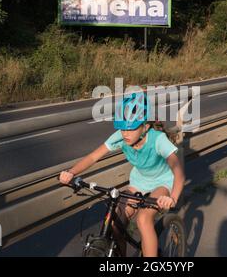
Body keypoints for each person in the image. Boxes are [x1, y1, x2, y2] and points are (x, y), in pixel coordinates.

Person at [59, 92, 185, 257]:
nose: (125, 133)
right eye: (122, 127)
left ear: (145, 127)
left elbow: (178, 171)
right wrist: (71, 172)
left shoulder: (158, 139)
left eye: (131, 128)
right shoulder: (121, 137)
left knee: (143, 219)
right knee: (116, 223)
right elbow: (93, 156)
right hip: (138, 182)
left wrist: (173, 198)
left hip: (162, 183)